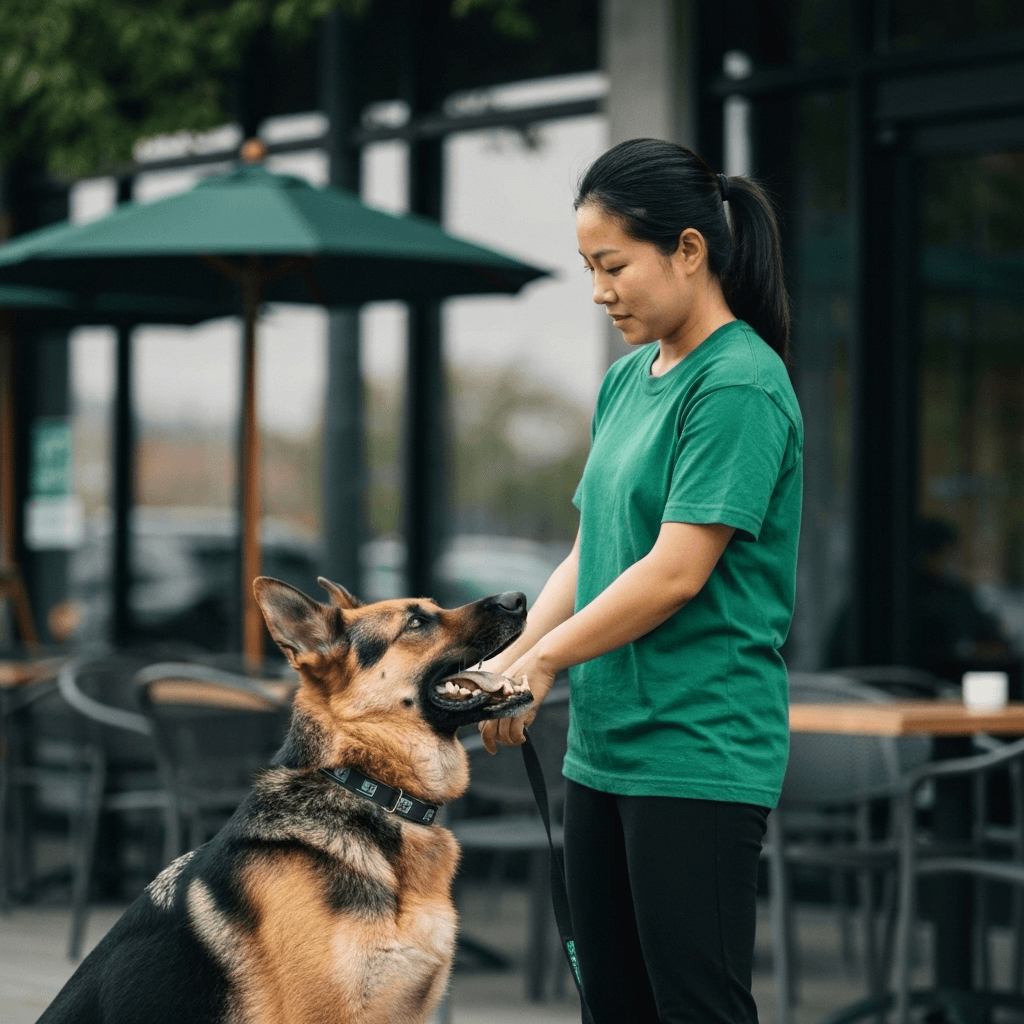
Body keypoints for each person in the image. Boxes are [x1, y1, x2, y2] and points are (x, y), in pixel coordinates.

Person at [479, 138, 803, 1024]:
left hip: (698, 751)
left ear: (689, 251)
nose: (598, 291)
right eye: (588, 267)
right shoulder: (627, 383)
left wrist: (542, 667)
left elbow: (673, 572)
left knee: (694, 1008)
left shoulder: (740, 383)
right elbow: (594, 553)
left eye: (613, 265)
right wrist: (516, 656)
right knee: (613, 1008)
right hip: (607, 748)